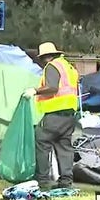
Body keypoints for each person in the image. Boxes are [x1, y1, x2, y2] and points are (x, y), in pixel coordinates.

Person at [32, 42, 80, 190]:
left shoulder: (52, 67)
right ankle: (66, 182)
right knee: (64, 147)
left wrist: (35, 91)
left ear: (45, 57)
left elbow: (52, 87)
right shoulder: (69, 67)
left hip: (55, 114)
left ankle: (43, 181)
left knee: (42, 142)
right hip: (70, 115)